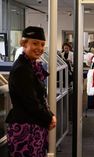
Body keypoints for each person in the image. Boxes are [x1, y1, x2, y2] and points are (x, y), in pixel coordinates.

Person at [5, 26, 56, 157]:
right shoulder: (22, 69)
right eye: (34, 43)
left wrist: (50, 115)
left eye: (42, 44)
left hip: (33, 125)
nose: (39, 48)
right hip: (25, 128)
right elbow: (31, 103)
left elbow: (39, 98)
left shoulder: (28, 65)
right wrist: (49, 118)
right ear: (23, 44)